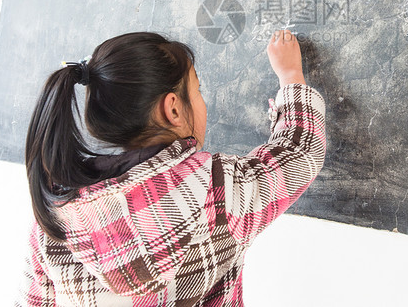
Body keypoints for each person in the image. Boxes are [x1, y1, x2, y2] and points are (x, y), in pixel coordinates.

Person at [17, 29, 326, 306]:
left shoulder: (54, 215)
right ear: (174, 108)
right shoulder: (215, 192)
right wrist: (290, 75)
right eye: (198, 90)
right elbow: (299, 152)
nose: (203, 101)